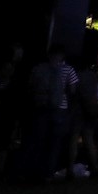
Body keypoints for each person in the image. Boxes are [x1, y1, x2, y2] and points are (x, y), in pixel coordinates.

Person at [24, 45, 79, 182]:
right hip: (60, 108)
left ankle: (34, 170)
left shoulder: (40, 68)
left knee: (39, 139)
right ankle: (49, 173)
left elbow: (30, 86)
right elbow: (72, 91)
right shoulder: (68, 69)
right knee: (55, 142)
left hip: (41, 107)